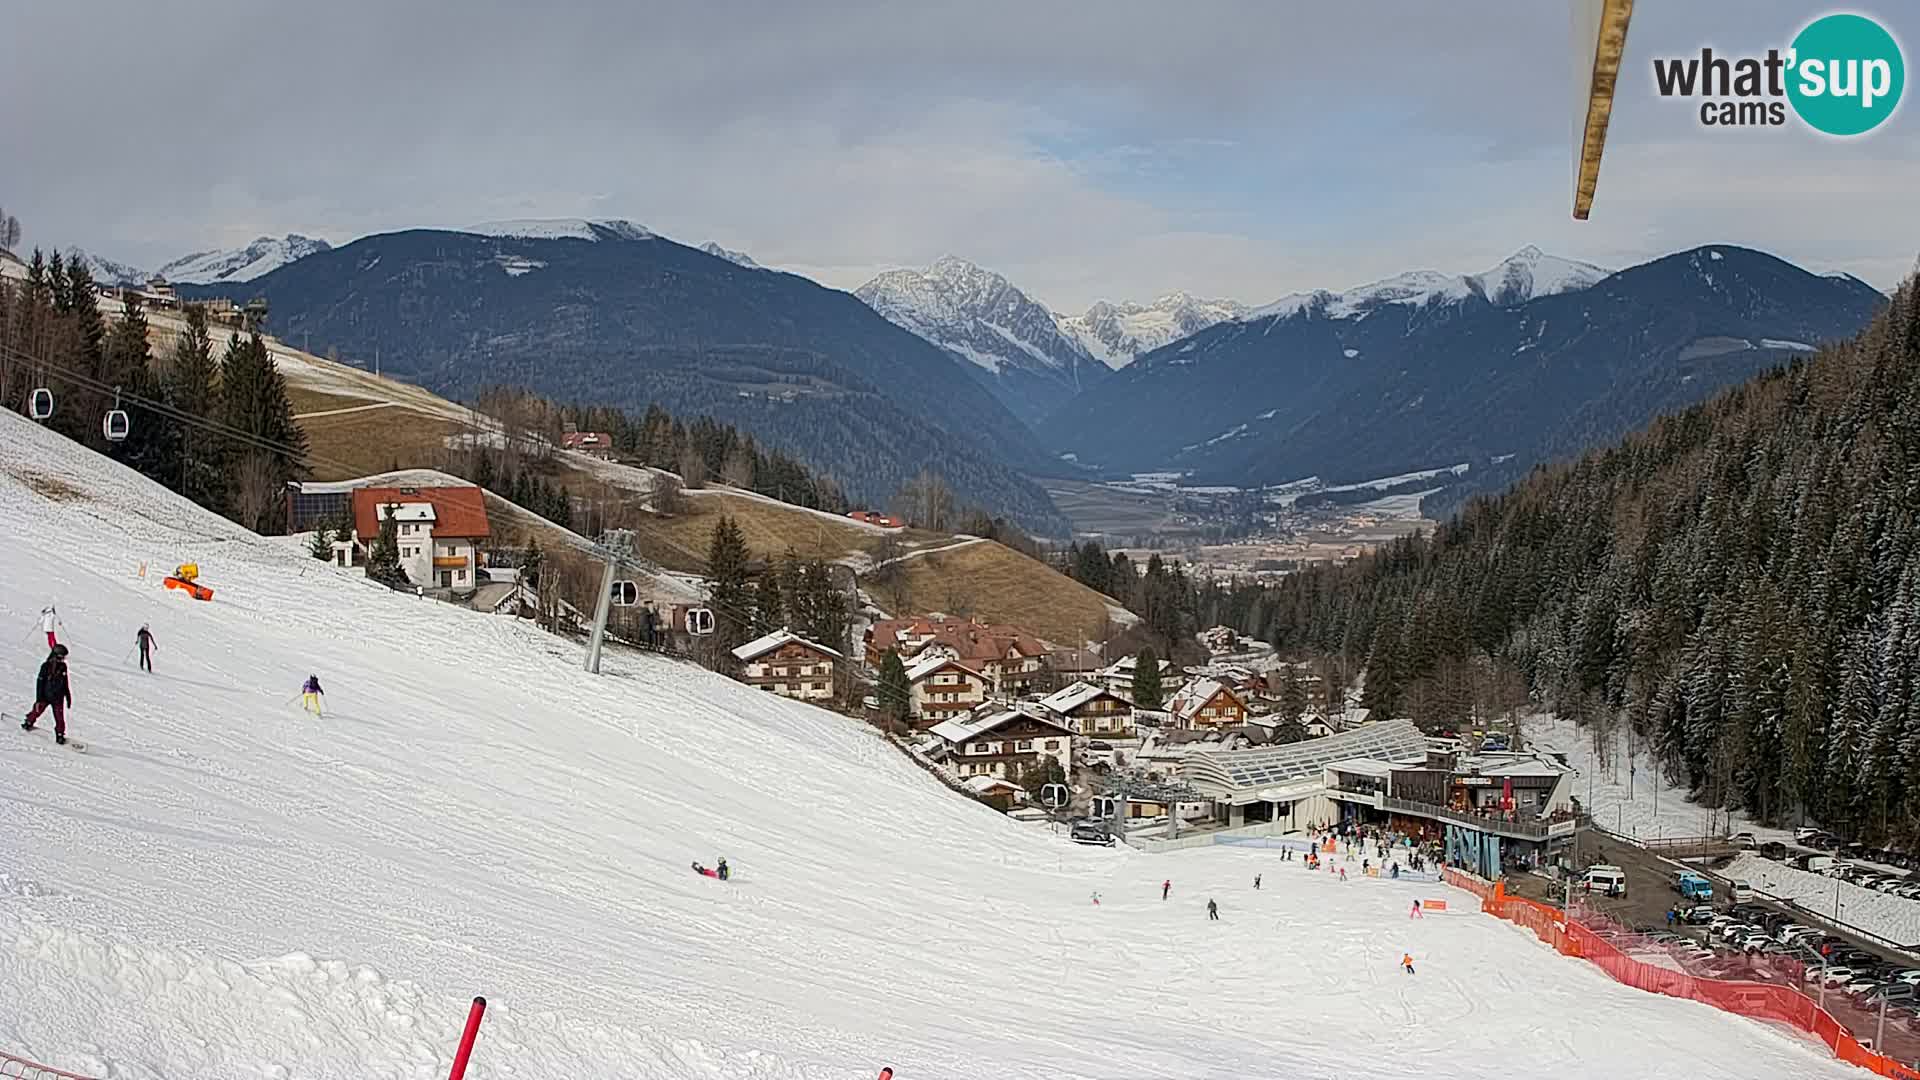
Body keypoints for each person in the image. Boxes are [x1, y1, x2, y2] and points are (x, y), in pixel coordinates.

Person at [22, 644, 73, 745]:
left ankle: (60, 734)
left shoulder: (63, 667)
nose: (62, 660)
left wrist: (68, 696)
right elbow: (40, 683)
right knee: (37, 710)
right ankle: (29, 721)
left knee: (59, 718)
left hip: (58, 697)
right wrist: (38, 699)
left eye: (64, 657)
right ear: (55, 656)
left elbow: (65, 682)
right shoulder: (46, 666)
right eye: (60, 657)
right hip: (45, 696)